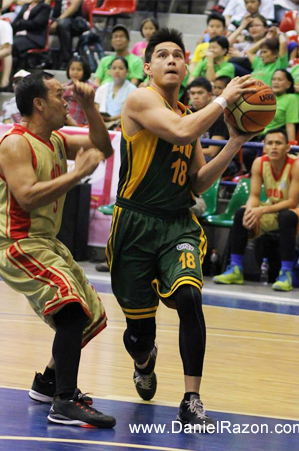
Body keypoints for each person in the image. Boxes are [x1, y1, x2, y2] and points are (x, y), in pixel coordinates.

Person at [106, 27, 258, 431]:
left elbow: (196, 183)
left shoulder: (190, 116)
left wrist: (235, 142)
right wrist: (224, 98)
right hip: (135, 224)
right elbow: (179, 132)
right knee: (138, 334)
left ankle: (192, 399)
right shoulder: (141, 99)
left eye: (178, 54)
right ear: (148, 66)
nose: (172, 59)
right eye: (163, 55)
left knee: (190, 296)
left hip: (177, 225)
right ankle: (144, 359)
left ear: (186, 65)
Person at [0, 72, 116, 428]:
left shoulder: (57, 140)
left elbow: (103, 147)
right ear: (39, 104)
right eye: (61, 95)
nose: (66, 101)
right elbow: (26, 197)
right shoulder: (16, 144)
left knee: (91, 314)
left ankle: (46, 384)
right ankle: (64, 402)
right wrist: (77, 175)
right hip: (17, 243)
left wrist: (91, 109)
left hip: (45, 243)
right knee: (71, 308)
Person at [213, 129, 299, 291]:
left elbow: (292, 202)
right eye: (270, 143)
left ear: (287, 148)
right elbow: (255, 195)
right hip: (275, 207)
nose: (274, 147)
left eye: (278, 143)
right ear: (264, 147)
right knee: (242, 213)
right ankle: (235, 268)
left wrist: (261, 211)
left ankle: (286, 273)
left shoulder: (297, 165)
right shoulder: (259, 163)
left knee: (286, 217)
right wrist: (251, 209)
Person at [189, 77, 239, 177]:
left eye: (200, 93)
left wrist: (187, 151)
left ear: (210, 95)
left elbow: (212, 151)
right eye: (192, 93)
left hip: (221, 160)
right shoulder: (188, 114)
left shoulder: (219, 116)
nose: (195, 97)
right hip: (199, 156)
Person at [94, 56, 137, 130]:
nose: (117, 71)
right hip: (103, 124)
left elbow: (132, 112)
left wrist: (111, 119)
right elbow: (96, 107)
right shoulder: (103, 88)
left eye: (121, 68)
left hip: (123, 126)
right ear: (109, 71)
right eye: (114, 68)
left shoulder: (133, 90)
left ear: (127, 72)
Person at [261, 69, 299, 142]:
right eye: (274, 79)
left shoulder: (291, 98)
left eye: (280, 80)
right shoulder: (266, 97)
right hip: (254, 136)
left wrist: (291, 145)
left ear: (288, 84)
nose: (276, 82)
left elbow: (290, 124)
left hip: (271, 139)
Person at [11, 0, 51, 70]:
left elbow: (36, 23)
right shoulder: (26, 6)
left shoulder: (45, 7)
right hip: (20, 35)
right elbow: (16, 21)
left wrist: (20, 23)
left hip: (34, 38)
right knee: (8, 42)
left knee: (14, 44)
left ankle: (16, 69)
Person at [50, 0, 90, 69]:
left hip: (76, 21)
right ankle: (42, 59)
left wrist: (57, 21)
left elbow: (73, 8)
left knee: (63, 24)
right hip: (58, 20)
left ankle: (66, 60)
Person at [63, 55, 96, 126]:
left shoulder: (91, 87)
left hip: (82, 124)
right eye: (72, 69)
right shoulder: (64, 86)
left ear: (85, 71)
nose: (75, 72)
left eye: (79, 70)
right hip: (63, 122)